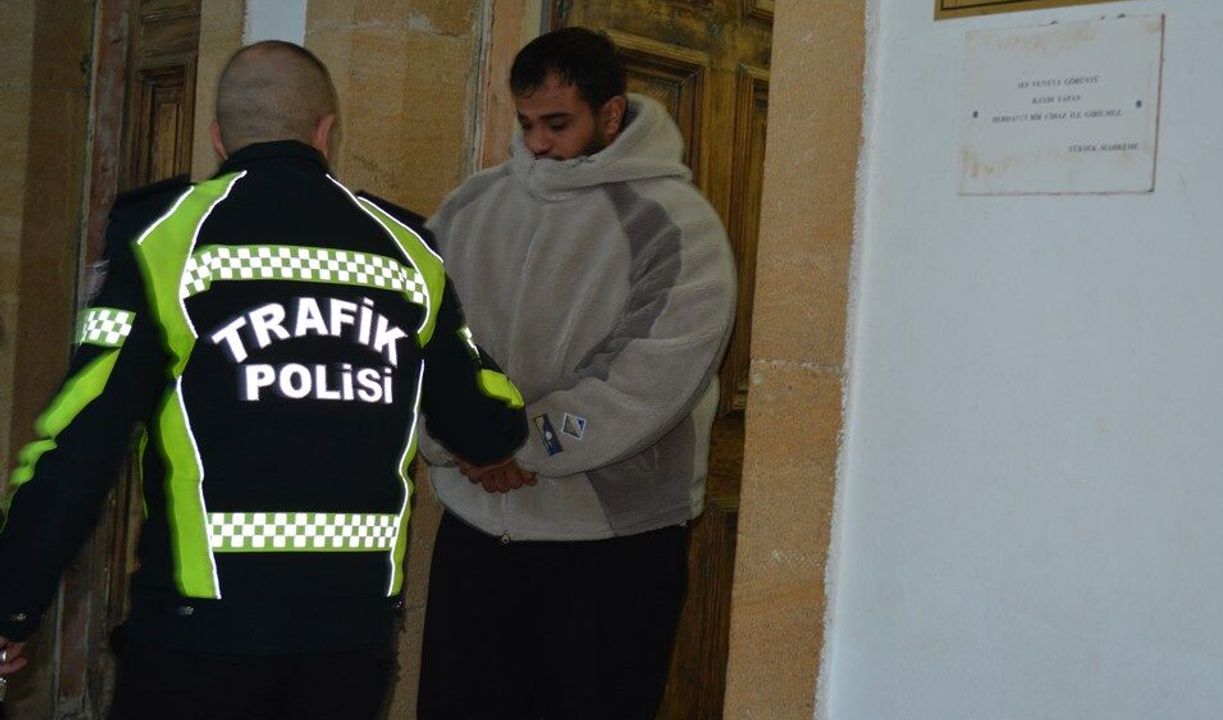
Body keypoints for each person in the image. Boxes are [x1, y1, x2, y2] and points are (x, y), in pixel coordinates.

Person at [0, 40, 527, 720]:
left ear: (219, 138)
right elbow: (485, 427)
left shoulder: (166, 239)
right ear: (325, 132)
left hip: (199, 636)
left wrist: (14, 603)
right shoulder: (406, 250)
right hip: (349, 641)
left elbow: (80, 440)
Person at [415, 27, 737, 720]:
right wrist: (458, 438)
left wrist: (509, 442)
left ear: (611, 113)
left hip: (612, 544)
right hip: (477, 533)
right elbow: (415, 341)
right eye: (526, 122)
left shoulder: (679, 226)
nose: (536, 143)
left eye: (557, 124)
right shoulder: (468, 209)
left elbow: (645, 384)